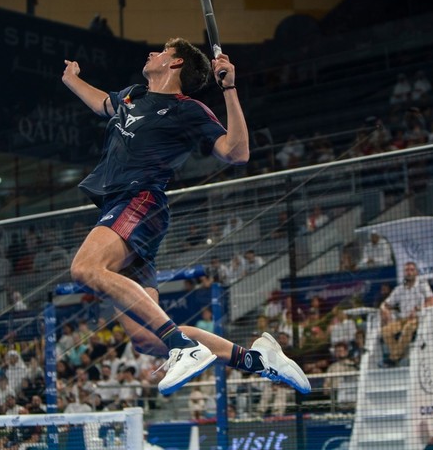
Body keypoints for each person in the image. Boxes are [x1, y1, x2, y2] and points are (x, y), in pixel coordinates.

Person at [63, 37, 310, 396]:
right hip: (119, 207)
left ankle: (184, 347)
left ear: (175, 64)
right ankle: (259, 359)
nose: (152, 53)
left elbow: (236, 152)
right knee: (148, 339)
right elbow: (103, 103)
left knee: (84, 269)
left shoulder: (186, 109)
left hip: (139, 201)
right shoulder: (132, 96)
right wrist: (71, 79)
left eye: (162, 51)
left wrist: (229, 88)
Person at [379, 261, 433, 366]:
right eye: (407, 270)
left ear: (416, 272)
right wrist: (385, 310)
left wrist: (419, 308)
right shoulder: (399, 289)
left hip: (418, 319)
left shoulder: (423, 285)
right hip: (402, 319)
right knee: (385, 331)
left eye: (411, 270)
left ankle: (393, 358)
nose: (409, 272)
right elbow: (385, 304)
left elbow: (432, 301)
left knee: (408, 328)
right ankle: (398, 355)